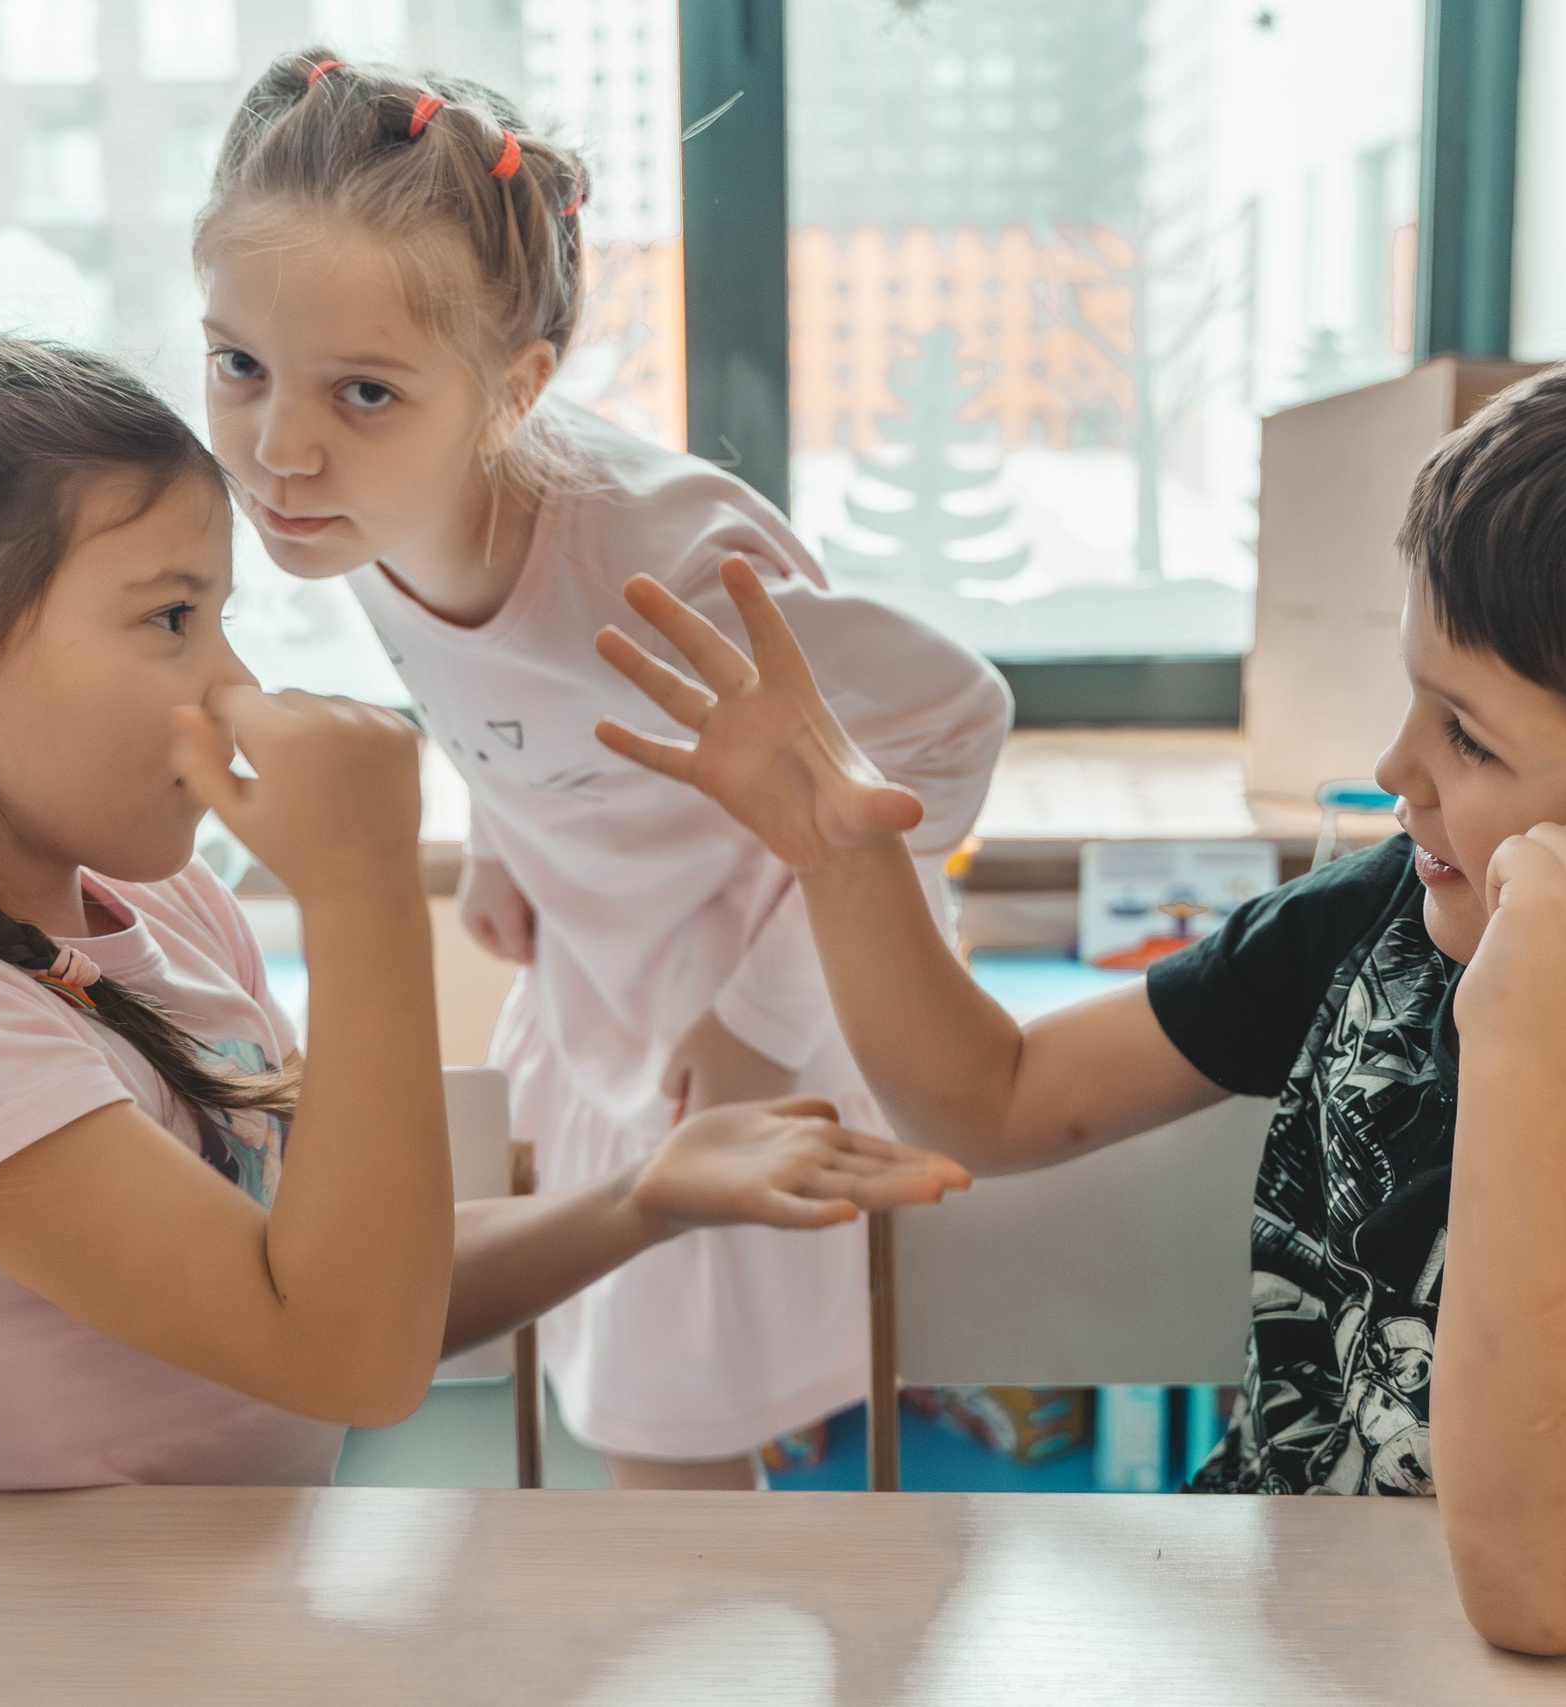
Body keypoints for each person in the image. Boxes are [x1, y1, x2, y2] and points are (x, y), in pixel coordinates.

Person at [596, 299, 1566, 1648]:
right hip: (1288, 1626)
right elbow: (995, 1097)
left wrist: (1526, 1045)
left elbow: (1544, 1594)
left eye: (1473, 740)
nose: (1396, 774)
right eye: (1415, 697)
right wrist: (841, 855)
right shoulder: (1393, 908)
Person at [0, 334, 967, 1490]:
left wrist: (646, 1196)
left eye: (221, 618)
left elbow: (359, 1284)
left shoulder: (168, 913)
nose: (234, 683)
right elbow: (347, 1355)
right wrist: (361, 891)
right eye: (171, 619)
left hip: (213, 1617)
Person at [193, 54, 1011, 1487]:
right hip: (606, 976)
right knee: (619, 1395)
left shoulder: (667, 565)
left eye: (364, 390)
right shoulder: (360, 511)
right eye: (239, 364)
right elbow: (496, 690)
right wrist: (510, 840)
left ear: (515, 389)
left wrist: (760, 1021)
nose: (279, 448)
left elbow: (955, 715)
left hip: (769, 992)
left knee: (665, 1433)